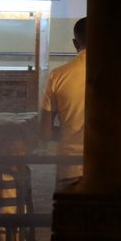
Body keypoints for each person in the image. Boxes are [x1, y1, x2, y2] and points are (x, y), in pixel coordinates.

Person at [41, 17, 87, 184]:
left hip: (69, 165)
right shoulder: (118, 75)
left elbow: (45, 132)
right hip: (107, 165)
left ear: (75, 43)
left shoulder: (57, 75)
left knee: (69, 208)